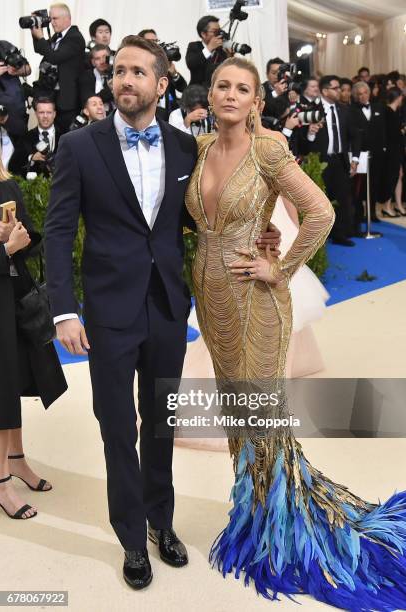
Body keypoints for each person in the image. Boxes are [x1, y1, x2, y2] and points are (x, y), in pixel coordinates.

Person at [44, 35, 280, 590]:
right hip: (106, 310)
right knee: (117, 427)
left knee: (161, 423)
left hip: (168, 307)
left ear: (161, 83)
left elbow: (204, 215)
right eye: (118, 71)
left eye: (137, 73)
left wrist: (260, 235)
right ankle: (131, 537)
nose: (125, 81)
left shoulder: (183, 147)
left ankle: (161, 522)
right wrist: (63, 312)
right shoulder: (80, 146)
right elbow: (57, 233)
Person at [184, 56, 406, 609]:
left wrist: (278, 267)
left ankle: (285, 531)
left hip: (258, 303)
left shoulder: (268, 150)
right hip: (212, 304)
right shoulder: (201, 148)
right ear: (210, 95)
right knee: (240, 415)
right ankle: (257, 511)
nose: (231, 96)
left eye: (243, 89)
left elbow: (320, 212)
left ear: (257, 100)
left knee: (261, 417)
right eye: (223, 87)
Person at [0, 156, 67, 520]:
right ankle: (1, 485)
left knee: (16, 381)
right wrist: (4, 249)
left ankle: (17, 461)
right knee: (1, 390)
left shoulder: (8, 185)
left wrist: (20, 239)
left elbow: (27, 243)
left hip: (17, 299)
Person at [306, 74, 361, 246]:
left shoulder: (344, 110)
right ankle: (319, 237)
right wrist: (310, 132)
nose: (340, 91)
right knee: (319, 200)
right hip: (319, 161)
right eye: (336, 88)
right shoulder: (311, 109)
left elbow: (355, 136)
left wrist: (355, 158)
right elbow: (302, 139)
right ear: (324, 91)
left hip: (340, 161)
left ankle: (340, 234)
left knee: (342, 198)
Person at [31, 3, 85, 133]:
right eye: (50, 19)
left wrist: (41, 37)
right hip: (54, 97)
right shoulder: (58, 36)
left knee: (67, 138)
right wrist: (35, 31)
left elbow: (54, 57)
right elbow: (40, 49)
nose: (52, 23)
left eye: (55, 19)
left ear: (67, 18)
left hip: (68, 101)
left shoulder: (75, 37)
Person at [349, 81, 386, 227]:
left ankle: (372, 213)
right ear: (356, 96)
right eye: (359, 94)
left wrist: (384, 148)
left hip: (376, 153)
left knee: (375, 182)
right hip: (361, 153)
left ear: (369, 93)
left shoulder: (378, 107)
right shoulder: (351, 110)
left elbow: (383, 130)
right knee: (359, 185)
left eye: (365, 93)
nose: (362, 96)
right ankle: (358, 213)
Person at [139, 29, 187, 121]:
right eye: (150, 41)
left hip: (168, 113)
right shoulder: (138, 64)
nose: (155, 44)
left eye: (156, 41)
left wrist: (174, 73)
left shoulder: (163, 61)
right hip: (146, 113)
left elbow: (183, 88)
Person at [9, 97, 60, 177]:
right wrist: (31, 158)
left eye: (49, 112)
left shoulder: (65, 136)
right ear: (36, 114)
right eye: (41, 112)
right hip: (34, 187)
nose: (45, 116)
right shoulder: (25, 138)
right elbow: (12, 168)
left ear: (54, 114)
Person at [379, 87, 405, 217]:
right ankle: (386, 206)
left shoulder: (395, 112)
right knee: (391, 177)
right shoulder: (387, 111)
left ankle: (398, 204)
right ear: (399, 97)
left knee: (398, 175)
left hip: (396, 150)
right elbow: (390, 133)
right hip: (390, 151)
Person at [186, 15, 228, 87]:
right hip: (197, 91)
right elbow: (192, 64)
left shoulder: (221, 50)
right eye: (215, 31)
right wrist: (209, 48)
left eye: (219, 31)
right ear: (203, 34)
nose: (219, 34)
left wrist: (230, 56)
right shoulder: (194, 46)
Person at [79, 44, 114, 112]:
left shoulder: (117, 73)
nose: (102, 61)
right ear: (93, 62)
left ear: (111, 58)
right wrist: (110, 89)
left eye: (105, 57)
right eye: (97, 59)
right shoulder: (86, 77)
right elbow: (91, 102)